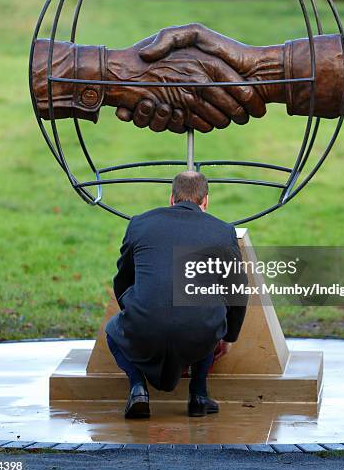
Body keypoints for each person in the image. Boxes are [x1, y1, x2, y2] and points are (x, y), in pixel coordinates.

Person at [105, 170, 247, 419]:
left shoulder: (139, 224)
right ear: (205, 202)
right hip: (199, 330)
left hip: (144, 324)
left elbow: (123, 278)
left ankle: (138, 388)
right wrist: (229, 336)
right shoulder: (223, 231)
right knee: (208, 310)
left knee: (113, 332)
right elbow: (237, 290)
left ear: (171, 198)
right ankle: (199, 395)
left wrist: (134, 312)